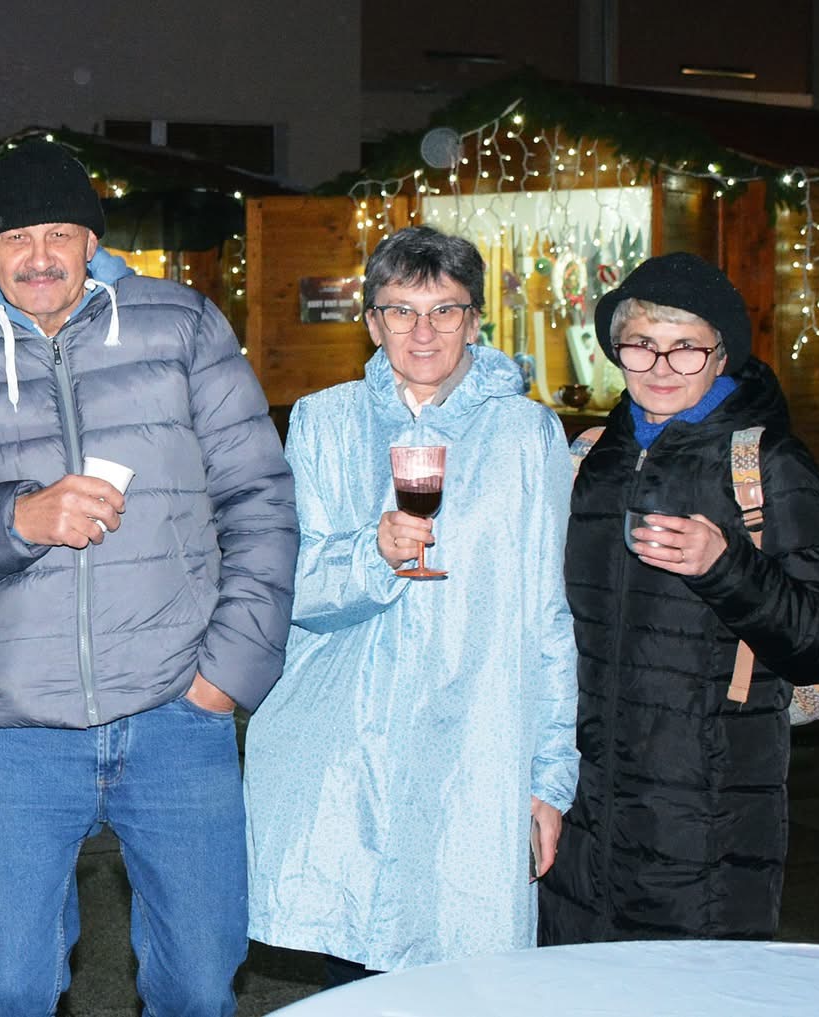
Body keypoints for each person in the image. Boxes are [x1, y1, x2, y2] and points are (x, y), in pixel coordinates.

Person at [0, 139, 297, 1017]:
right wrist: (20, 520)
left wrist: (224, 680)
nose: (37, 256)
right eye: (14, 236)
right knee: (8, 988)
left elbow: (260, 500)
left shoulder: (182, 326)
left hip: (177, 712)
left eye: (57, 233)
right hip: (21, 725)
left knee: (197, 985)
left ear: (91, 240)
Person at [241, 226, 580, 982]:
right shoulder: (324, 422)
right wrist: (373, 554)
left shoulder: (527, 435)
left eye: (444, 310)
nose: (422, 332)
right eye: (400, 311)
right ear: (372, 323)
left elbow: (546, 617)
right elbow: (290, 588)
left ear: (474, 321)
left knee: (462, 975)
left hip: (473, 751)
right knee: (352, 971)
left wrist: (549, 779)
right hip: (343, 752)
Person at [538, 253, 819, 944]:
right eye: (642, 344)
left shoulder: (769, 464)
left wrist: (727, 567)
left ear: (721, 355)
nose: (661, 366)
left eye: (685, 347)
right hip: (579, 813)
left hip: (707, 823)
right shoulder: (589, 459)